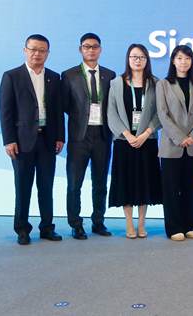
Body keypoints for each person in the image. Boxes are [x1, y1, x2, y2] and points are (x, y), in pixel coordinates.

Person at [0, 34, 65, 245]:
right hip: (22, 141)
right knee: (23, 187)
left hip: (47, 139)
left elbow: (57, 111)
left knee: (46, 187)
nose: (37, 54)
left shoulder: (54, 77)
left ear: (48, 53)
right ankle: (22, 229)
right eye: (33, 49)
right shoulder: (12, 76)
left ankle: (47, 228)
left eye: (42, 50)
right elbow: (6, 112)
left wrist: (60, 137)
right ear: (25, 50)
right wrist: (9, 140)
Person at [61, 33, 116, 239]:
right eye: (86, 46)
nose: (91, 50)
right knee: (74, 183)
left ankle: (98, 221)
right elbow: (64, 105)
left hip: (102, 135)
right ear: (80, 49)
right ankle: (75, 223)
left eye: (95, 47)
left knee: (100, 182)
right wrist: (80, 117)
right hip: (79, 137)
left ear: (100, 49)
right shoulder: (69, 75)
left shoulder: (110, 75)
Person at [107, 44, 162, 239]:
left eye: (141, 57)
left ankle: (141, 223)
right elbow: (111, 113)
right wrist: (127, 135)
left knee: (145, 182)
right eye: (133, 57)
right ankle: (129, 223)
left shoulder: (156, 83)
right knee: (126, 183)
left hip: (147, 141)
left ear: (147, 60)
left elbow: (160, 113)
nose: (137, 60)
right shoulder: (116, 83)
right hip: (124, 142)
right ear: (128, 59)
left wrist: (146, 133)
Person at [156, 45, 193, 241]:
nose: (183, 62)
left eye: (187, 58)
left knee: (190, 187)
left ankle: (190, 225)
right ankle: (174, 227)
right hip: (172, 144)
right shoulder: (163, 84)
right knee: (171, 188)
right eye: (179, 58)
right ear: (173, 61)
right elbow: (163, 114)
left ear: (192, 61)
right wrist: (180, 137)